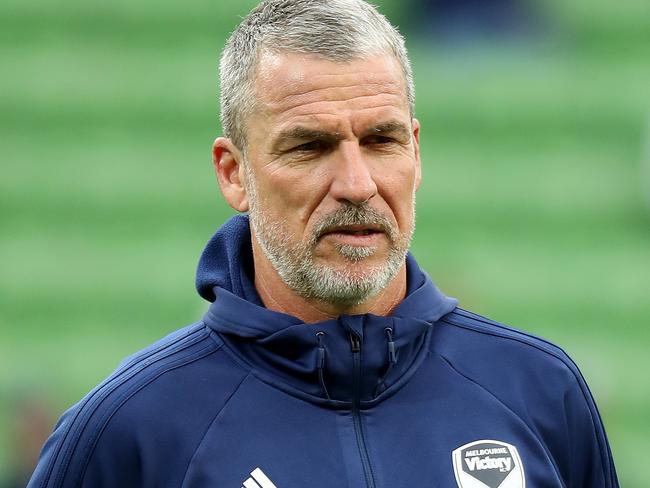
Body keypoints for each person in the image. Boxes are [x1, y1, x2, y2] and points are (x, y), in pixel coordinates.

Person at [28, 1, 619, 487]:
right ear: (234, 173)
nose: (357, 184)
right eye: (308, 147)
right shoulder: (129, 431)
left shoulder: (541, 391)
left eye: (381, 140)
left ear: (416, 152)